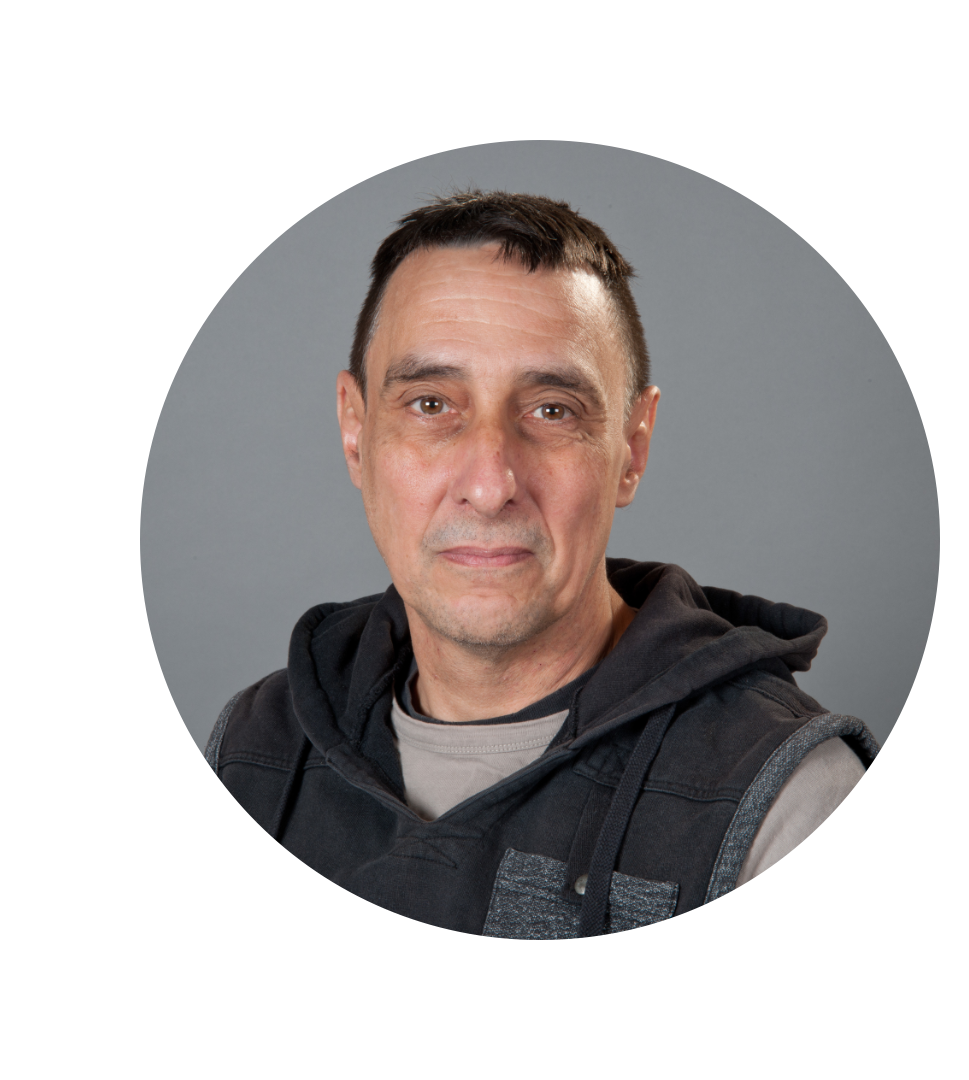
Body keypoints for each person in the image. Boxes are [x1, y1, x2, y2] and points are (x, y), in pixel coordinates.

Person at [205, 189, 878, 938]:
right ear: (355, 433)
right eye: (430, 404)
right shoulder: (254, 751)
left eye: (552, 410)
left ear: (632, 449)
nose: (490, 484)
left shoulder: (786, 806)